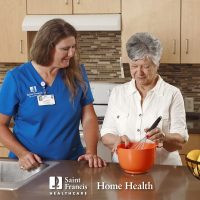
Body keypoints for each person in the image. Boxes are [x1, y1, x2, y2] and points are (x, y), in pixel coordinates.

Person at [0, 18, 106, 170]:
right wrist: (22, 153)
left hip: (71, 163)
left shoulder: (77, 73)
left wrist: (91, 151)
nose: (71, 53)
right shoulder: (17, 78)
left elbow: (88, 117)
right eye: (65, 49)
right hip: (29, 165)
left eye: (74, 47)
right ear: (47, 47)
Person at [101, 32, 188, 165]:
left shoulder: (172, 94)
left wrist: (164, 137)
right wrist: (116, 139)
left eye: (146, 67)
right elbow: (106, 134)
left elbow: (180, 140)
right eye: (134, 66)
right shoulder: (117, 93)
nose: (139, 72)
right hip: (124, 168)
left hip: (163, 174)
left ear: (157, 64)